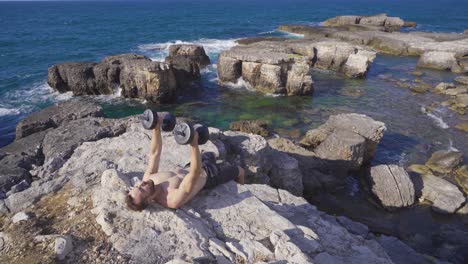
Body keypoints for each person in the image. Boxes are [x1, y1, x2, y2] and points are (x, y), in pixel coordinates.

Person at [126, 115, 245, 211]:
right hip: (209, 175)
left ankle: (217, 157)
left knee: (212, 154)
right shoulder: (171, 199)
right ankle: (244, 183)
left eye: (138, 186)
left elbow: (154, 153)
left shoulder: (148, 179)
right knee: (239, 170)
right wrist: (194, 143)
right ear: (148, 200)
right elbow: (195, 174)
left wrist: (156, 128)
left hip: (191, 165)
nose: (142, 183)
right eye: (142, 189)